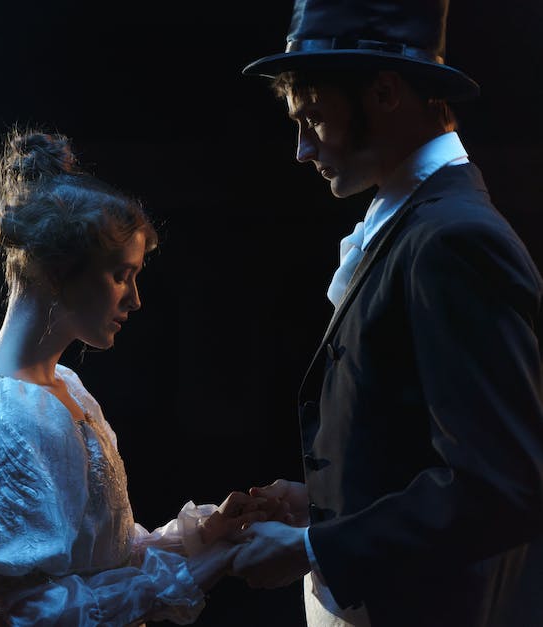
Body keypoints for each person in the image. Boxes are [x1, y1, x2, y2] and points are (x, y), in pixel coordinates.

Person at [227, 1, 543, 626]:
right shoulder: (414, 224)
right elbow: (414, 448)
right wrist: (319, 506)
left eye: (313, 116)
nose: (300, 148)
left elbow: (500, 484)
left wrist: (315, 547)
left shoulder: (452, 238)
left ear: (386, 91)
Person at [0, 126, 266, 626]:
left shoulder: (65, 388)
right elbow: (27, 615)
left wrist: (203, 536)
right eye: (121, 275)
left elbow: (103, 558)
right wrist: (198, 569)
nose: (135, 299)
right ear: (58, 273)